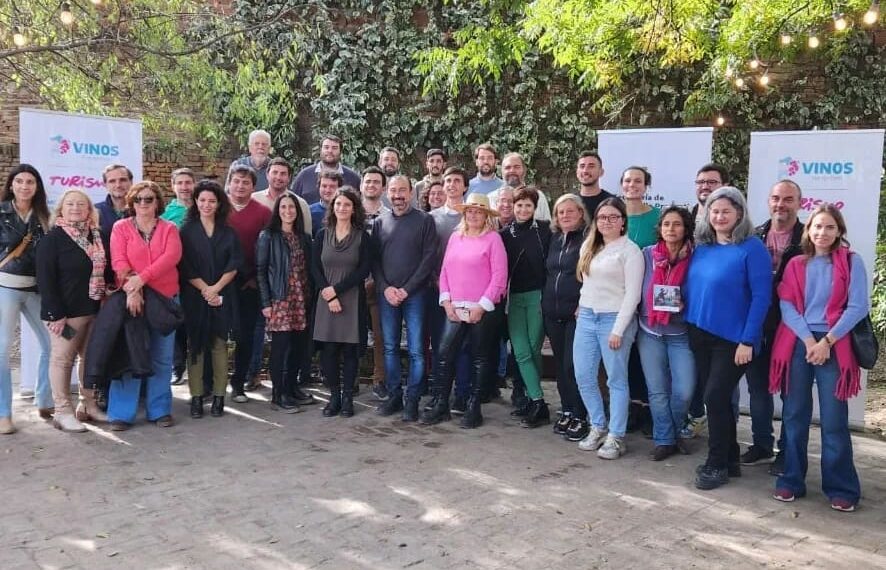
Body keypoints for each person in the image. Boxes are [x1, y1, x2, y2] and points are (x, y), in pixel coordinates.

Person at [768, 205, 867, 512]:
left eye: (829, 228)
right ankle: (791, 481)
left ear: (839, 232)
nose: (822, 233)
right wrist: (811, 340)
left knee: (834, 420)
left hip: (835, 345)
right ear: (808, 230)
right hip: (799, 342)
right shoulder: (797, 263)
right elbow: (787, 306)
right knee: (795, 415)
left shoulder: (852, 262)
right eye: (817, 227)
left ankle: (841, 486)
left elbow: (857, 307)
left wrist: (826, 342)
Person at [684, 186, 771, 490]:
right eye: (714, 211)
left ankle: (716, 463)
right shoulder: (703, 246)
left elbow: (762, 297)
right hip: (700, 332)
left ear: (740, 214)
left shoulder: (752, 248)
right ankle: (730, 457)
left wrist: (749, 340)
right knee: (716, 401)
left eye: (726, 211)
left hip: (734, 339)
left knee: (715, 398)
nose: (719, 216)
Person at [420, 193, 507, 428]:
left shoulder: (493, 240)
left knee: (479, 358)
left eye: (479, 211)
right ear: (464, 214)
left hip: (481, 308)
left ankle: (473, 406)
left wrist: (482, 305)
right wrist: (447, 302)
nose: (474, 215)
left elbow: (499, 276)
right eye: (470, 211)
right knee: (444, 354)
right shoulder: (455, 237)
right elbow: (445, 271)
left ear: (487, 216)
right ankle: (440, 403)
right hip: (455, 307)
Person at [107, 181, 183, 430]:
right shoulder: (121, 228)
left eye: (148, 199)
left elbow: (171, 257)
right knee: (130, 354)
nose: (143, 204)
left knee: (162, 358)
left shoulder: (169, 228)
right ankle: (121, 413)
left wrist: (141, 279)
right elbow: (118, 260)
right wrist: (133, 287)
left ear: (157, 202)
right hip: (132, 299)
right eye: (138, 199)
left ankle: (159, 410)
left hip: (164, 298)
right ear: (131, 203)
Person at [572, 197, 643, 459]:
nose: (607, 221)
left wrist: (618, 330)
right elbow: (587, 284)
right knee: (584, 375)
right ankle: (598, 425)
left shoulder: (630, 251)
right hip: (588, 318)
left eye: (613, 217)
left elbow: (632, 295)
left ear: (623, 221)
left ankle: (616, 436)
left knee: (616, 380)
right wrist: (582, 306)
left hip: (615, 320)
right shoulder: (590, 246)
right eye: (603, 217)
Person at [742, 180, 804, 474]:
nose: (781, 204)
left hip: (793, 328)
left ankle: (786, 451)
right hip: (758, 325)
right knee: (758, 389)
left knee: (790, 393)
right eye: (776, 198)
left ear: (799, 203)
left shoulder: (809, 238)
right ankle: (762, 444)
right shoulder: (754, 237)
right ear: (768, 202)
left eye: (788, 199)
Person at [36, 189, 108, 432]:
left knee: (89, 359)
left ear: (89, 209)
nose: (76, 208)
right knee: (62, 359)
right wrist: (54, 314)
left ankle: (87, 405)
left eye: (81, 204)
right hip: (65, 317)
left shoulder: (96, 236)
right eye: (70, 204)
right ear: (61, 210)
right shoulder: (52, 239)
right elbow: (45, 280)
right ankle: (62, 411)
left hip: (93, 310)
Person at [372, 175, 438, 421]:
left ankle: (413, 399)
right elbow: (374, 260)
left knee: (416, 350)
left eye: (402, 190)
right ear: (387, 193)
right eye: (393, 190)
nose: (398, 195)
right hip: (386, 295)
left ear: (411, 193)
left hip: (416, 295)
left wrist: (407, 289)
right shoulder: (380, 222)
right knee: (389, 347)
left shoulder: (424, 221)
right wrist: (386, 287)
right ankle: (394, 396)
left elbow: (428, 259)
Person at [636, 206, 696, 460]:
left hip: (681, 333)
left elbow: (703, 292)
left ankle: (674, 429)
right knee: (657, 391)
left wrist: (686, 304)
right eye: (666, 224)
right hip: (649, 330)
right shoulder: (647, 254)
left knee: (684, 390)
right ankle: (666, 439)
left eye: (677, 224)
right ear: (659, 228)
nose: (671, 229)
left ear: (686, 228)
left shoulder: (696, 257)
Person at [179, 181, 243, 419]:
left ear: (219, 204)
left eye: (212, 201)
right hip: (195, 297)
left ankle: (218, 397)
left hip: (222, 295)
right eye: (202, 200)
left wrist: (216, 289)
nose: (206, 205)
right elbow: (184, 266)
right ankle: (196, 397)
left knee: (218, 346)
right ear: (196, 202)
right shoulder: (186, 231)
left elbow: (235, 264)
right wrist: (205, 289)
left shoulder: (228, 232)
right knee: (195, 347)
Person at [0, 165, 52, 434]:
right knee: (1, 350)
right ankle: (3, 413)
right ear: (11, 185)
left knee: (54, 343)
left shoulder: (44, 216)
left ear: (37, 186)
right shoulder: (1, 212)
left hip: (35, 289)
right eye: (19, 181)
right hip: (5, 287)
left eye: (30, 181)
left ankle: (45, 400)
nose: (24, 186)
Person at [312, 188, 371, 417]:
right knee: (328, 351)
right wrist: (328, 292)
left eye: (347, 204)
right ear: (332, 207)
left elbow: (364, 270)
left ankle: (348, 398)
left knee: (349, 351)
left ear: (354, 208)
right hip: (325, 300)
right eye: (338, 204)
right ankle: (334, 396)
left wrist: (336, 291)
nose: (342, 208)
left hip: (351, 299)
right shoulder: (321, 234)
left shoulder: (363, 236)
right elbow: (314, 267)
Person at [684, 163, 730, 437]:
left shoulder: (734, 226)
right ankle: (696, 420)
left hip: (722, 315)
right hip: (690, 309)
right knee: (696, 374)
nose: (705, 186)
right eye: (700, 182)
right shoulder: (688, 216)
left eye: (711, 182)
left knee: (723, 387)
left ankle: (724, 435)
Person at [500, 187, 552, 427]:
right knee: (520, 351)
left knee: (532, 349)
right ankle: (538, 401)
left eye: (527, 206)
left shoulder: (544, 231)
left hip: (537, 297)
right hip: (514, 298)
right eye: (518, 205)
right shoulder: (504, 234)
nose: (522, 210)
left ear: (534, 207)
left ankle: (533, 399)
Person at [256, 194, 313, 413]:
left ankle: (292, 387)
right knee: (280, 348)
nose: (288, 211)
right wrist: (266, 302)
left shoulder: (304, 238)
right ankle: (278, 394)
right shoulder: (268, 236)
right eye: (284, 207)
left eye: (292, 207)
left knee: (298, 347)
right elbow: (261, 271)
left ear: (297, 211)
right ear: (277, 210)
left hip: (301, 299)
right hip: (279, 299)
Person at [543, 194, 590, 441]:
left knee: (574, 366)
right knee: (560, 365)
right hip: (552, 312)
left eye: (571, 211)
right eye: (560, 212)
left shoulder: (588, 240)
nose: (565, 216)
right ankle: (567, 408)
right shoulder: (555, 239)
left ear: (581, 214)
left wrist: (582, 303)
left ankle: (581, 414)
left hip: (576, 313)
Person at [226, 165, 271, 402]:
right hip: (220, 284)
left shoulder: (263, 212)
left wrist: (255, 279)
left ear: (253, 187)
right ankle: (212, 384)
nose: (240, 186)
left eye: (246, 182)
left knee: (245, 336)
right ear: (229, 183)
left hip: (249, 284)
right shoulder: (217, 208)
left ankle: (239, 382)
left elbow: (267, 250)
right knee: (217, 336)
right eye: (236, 181)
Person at [161, 167, 195, 385]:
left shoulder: (204, 207)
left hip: (201, 275)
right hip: (175, 276)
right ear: (173, 186)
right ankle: (178, 366)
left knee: (197, 323)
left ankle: (198, 369)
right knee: (178, 322)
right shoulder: (166, 215)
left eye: (188, 182)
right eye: (179, 183)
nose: (184, 187)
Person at [361, 166, 390, 401]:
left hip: (380, 285)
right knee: (353, 335)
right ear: (362, 185)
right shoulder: (348, 211)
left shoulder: (390, 216)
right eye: (367, 181)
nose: (371, 185)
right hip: (353, 286)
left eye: (376, 182)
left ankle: (379, 380)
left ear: (384, 187)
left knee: (381, 337)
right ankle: (349, 381)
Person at [292, 134, 361, 205]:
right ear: (320, 150)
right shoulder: (304, 175)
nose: (330, 151)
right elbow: (293, 202)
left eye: (334, 148)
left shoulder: (353, 178)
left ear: (340, 151)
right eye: (326, 147)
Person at [252, 157, 313, 235]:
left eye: (283, 174)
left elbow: (306, 236)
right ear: (267, 175)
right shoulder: (254, 199)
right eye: (275, 172)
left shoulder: (300, 204)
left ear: (289, 177)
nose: (278, 177)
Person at [488, 153, 551, 222]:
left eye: (517, 167)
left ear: (524, 170)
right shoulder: (490, 199)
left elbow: (548, 228)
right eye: (507, 168)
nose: (512, 171)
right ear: (501, 171)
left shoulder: (539, 197)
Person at [575, 151, 614, 217]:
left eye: (591, 166)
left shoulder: (612, 202)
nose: (585, 171)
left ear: (601, 172)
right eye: (582, 166)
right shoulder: (570, 202)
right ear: (577, 172)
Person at [310, 171, 344, 237]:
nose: (328, 190)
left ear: (340, 189)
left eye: (332, 187)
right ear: (319, 187)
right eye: (324, 186)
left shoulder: (346, 211)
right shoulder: (309, 212)